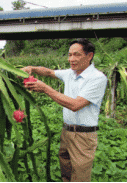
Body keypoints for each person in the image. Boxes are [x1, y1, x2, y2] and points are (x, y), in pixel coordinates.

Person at [21, 38, 107, 182]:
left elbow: (75, 105)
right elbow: (48, 72)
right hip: (66, 132)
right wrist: (32, 69)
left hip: (83, 137)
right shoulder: (71, 73)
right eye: (69, 55)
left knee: (80, 177)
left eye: (76, 55)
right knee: (65, 173)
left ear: (89, 56)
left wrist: (46, 89)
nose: (71, 59)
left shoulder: (97, 78)